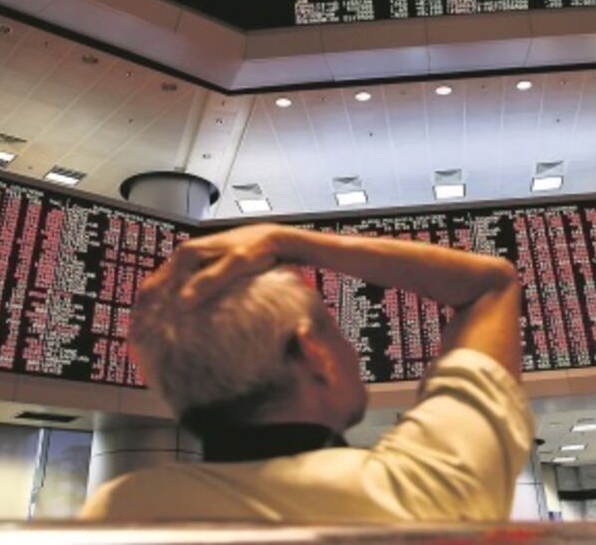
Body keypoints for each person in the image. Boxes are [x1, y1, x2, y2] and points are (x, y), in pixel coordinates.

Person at [81, 223, 532, 522]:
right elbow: (490, 285)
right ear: (314, 352)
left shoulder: (118, 512)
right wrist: (284, 240)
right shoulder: (423, 490)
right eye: (332, 328)